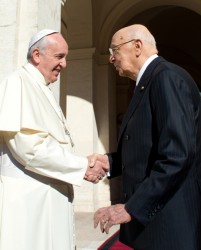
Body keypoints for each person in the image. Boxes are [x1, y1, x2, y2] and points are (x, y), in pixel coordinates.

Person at [94, 24, 201, 250]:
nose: (111, 58)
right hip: (154, 225)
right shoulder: (148, 82)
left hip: (168, 225)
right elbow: (147, 147)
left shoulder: (166, 78)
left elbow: (176, 155)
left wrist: (132, 207)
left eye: (115, 50)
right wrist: (111, 162)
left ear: (137, 46)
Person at [0, 29, 109, 250]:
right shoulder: (17, 83)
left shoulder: (41, 88)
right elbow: (29, 149)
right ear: (37, 55)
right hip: (31, 207)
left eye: (66, 57)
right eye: (59, 57)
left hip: (48, 199)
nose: (65, 64)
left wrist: (81, 162)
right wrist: (82, 166)